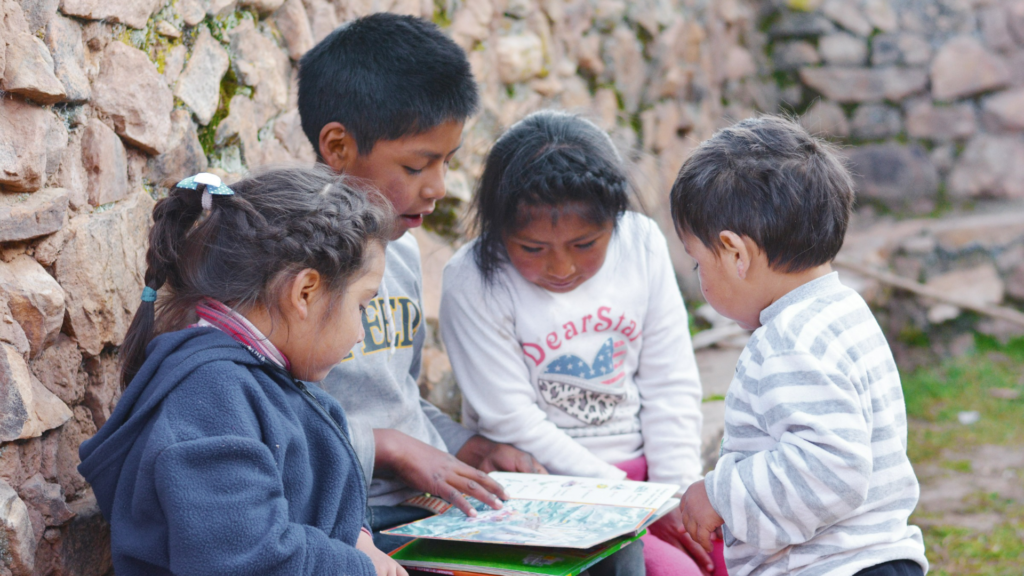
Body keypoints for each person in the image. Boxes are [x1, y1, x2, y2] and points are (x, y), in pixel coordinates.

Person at [78, 167, 408, 575]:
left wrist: (358, 541)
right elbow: (243, 557)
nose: (360, 334)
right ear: (304, 292)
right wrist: (360, 568)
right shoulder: (210, 397)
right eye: (361, 305)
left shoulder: (257, 377)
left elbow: (313, 492)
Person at [296, 12, 545, 552]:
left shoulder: (400, 251)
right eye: (416, 166)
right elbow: (276, 430)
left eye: (447, 162)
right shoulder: (289, 271)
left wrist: (469, 447)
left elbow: (401, 398)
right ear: (337, 146)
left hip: (431, 505)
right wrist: (387, 448)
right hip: (353, 516)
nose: (438, 187)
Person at [439, 110, 726, 576]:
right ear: (499, 229)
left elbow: (670, 382)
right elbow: (511, 420)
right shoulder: (473, 279)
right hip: (548, 489)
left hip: (649, 478)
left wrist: (675, 492)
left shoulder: (641, 245)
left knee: (732, 558)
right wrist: (629, 499)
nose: (561, 267)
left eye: (585, 244)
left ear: (615, 220)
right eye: (532, 249)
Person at [672, 116, 928, 576]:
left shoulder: (788, 341)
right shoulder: (843, 309)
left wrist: (719, 494)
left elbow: (831, 469)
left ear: (735, 254)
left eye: (697, 263)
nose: (699, 278)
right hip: (877, 557)